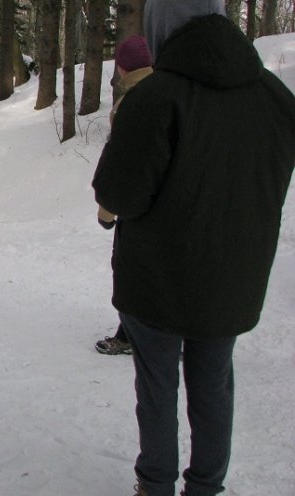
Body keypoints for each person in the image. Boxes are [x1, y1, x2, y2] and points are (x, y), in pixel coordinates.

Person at [92, 1, 295, 495]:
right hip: (235, 277)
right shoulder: (273, 94)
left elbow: (118, 194)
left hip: (158, 281)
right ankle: (205, 486)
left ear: (163, 27)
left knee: (159, 387)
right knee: (213, 381)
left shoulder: (156, 97)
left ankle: (156, 484)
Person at [95, 35, 153, 357]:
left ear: (121, 66)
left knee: (127, 269)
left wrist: (107, 211)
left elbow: (120, 164)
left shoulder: (129, 104)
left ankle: (129, 334)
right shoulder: (172, 94)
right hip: (169, 205)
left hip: (134, 207)